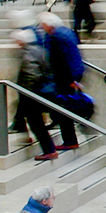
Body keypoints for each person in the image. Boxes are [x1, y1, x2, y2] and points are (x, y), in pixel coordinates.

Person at [35, 13, 83, 150]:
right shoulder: (66, 32)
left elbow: (60, 62)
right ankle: (68, 137)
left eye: (43, 24)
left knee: (63, 110)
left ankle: (69, 140)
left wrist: (68, 80)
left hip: (65, 79)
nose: (41, 27)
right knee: (64, 108)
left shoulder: (55, 37)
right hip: (73, 75)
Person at [10, 29, 60, 161]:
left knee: (36, 124)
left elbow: (31, 74)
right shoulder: (39, 50)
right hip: (39, 91)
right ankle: (48, 148)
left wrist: (25, 92)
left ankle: (49, 150)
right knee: (36, 122)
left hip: (32, 94)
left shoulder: (28, 54)